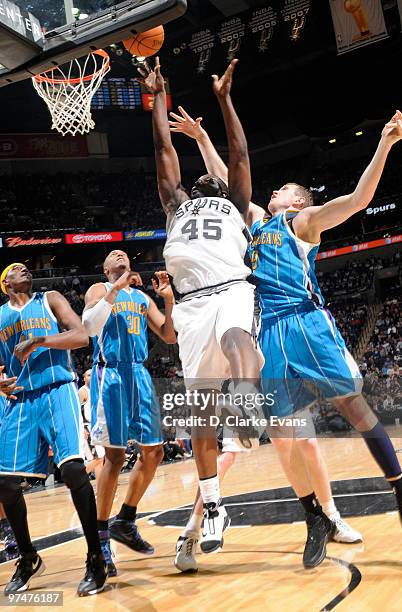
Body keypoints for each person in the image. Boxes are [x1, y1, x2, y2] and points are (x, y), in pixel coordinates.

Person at [168, 105, 402, 568]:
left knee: (354, 407)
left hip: (305, 323)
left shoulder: (302, 223)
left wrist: (386, 143)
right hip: (265, 331)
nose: (273, 191)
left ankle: (397, 488)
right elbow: (230, 176)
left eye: (284, 190)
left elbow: (356, 200)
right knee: (282, 431)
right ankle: (314, 516)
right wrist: (199, 138)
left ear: (296, 202)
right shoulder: (252, 222)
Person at [138, 57, 263, 555]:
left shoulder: (233, 201)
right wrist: (158, 96)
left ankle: (249, 404)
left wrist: (225, 99)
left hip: (231, 287)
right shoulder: (174, 205)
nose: (208, 181)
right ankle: (212, 505)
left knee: (238, 339)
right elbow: (162, 146)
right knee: (201, 418)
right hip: (189, 307)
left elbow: (238, 152)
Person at [0, 263, 107, 595]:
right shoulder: (0, 316)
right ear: (5, 283)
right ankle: (28, 556)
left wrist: (40, 340)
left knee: (74, 471)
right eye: (15, 268)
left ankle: (95, 558)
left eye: (26, 267)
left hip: (57, 389)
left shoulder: (51, 299)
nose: (24, 268)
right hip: (21, 399)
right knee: (4, 482)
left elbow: (81, 335)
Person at [82, 250, 176, 576]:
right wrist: (116, 287)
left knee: (154, 452)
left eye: (123, 253)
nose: (120, 253)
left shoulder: (140, 297)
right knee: (115, 457)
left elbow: (169, 335)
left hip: (138, 374)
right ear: (106, 268)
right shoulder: (98, 290)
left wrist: (167, 300)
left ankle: (126, 519)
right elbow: (91, 327)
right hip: (110, 375)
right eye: (112, 255)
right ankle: (101, 536)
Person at [79, 369, 105, 481]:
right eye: (88, 375)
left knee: (100, 459)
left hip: (97, 428)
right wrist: (82, 429)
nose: (91, 377)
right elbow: (76, 411)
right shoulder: (82, 391)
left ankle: (101, 488)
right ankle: (76, 479)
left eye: (93, 375)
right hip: (87, 428)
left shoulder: (97, 391)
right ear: (84, 378)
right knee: (98, 459)